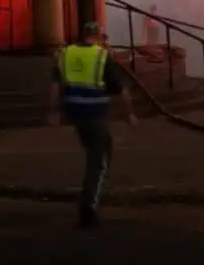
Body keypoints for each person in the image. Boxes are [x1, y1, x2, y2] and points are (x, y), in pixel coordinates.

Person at [48, 21, 137, 229]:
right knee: (100, 159)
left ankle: (90, 198)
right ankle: (88, 207)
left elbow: (55, 86)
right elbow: (121, 90)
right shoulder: (101, 56)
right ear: (97, 36)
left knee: (96, 149)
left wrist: (53, 112)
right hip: (94, 112)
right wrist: (129, 114)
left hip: (74, 112)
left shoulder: (66, 53)